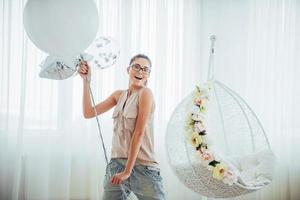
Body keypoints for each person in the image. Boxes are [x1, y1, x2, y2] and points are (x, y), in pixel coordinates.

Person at [79, 54, 165, 200]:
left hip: (142, 167)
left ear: (148, 75)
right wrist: (86, 81)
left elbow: (138, 133)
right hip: (116, 165)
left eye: (145, 69)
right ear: (128, 69)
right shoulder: (118, 95)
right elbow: (88, 112)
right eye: (136, 67)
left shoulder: (146, 93)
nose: (140, 71)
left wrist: (127, 171)